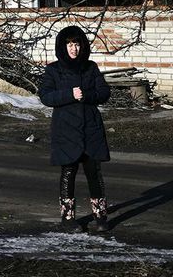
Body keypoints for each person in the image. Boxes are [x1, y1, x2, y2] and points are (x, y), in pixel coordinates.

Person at [38, 25, 112, 232]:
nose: (74, 49)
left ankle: (101, 217)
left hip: (90, 128)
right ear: (63, 47)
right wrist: (69, 95)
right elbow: (45, 96)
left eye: (77, 44)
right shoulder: (53, 70)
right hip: (66, 129)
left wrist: (87, 95)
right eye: (69, 44)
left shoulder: (90, 67)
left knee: (94, 173)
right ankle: (67, 218)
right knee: (68, 172)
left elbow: (104, 92)